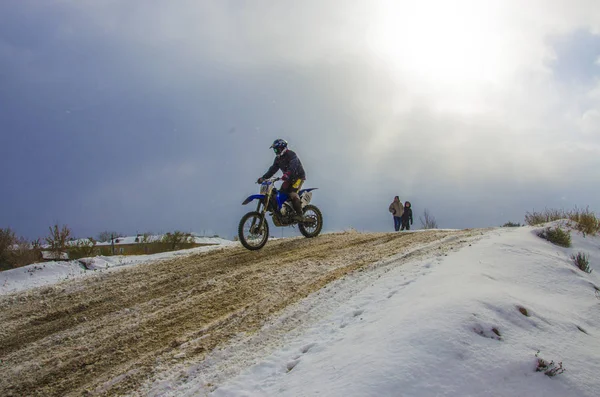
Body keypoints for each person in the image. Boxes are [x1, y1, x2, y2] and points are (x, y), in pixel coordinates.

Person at [257, 139, 306, 222]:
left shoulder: (291, 154)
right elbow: (272, 169)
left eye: (276, 149)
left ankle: (300, 214)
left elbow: (292, 166)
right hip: (288, 179)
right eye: (274, 150)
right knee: (280, 194)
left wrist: (287, 174)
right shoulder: (278, 159)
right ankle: (286, 211)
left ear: (281, 148)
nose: (275, 151)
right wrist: (263, 178)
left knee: (292, 194)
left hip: (298, 177)